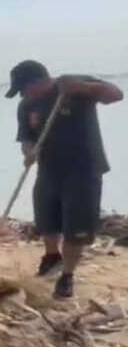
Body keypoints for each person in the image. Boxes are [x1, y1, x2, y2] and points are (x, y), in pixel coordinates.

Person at [7, 60, 123, 298]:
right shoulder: (26, 105)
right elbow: (26, 138)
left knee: (75, 226)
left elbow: (116, 95)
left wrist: (83, 88)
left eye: (23, 88)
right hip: (49, 169)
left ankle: (67, 276)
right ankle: (52, 256)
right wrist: (28, 153)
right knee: (46, 219)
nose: (22, 94)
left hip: (83, 169)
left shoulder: (71, 84)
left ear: (39, 81)